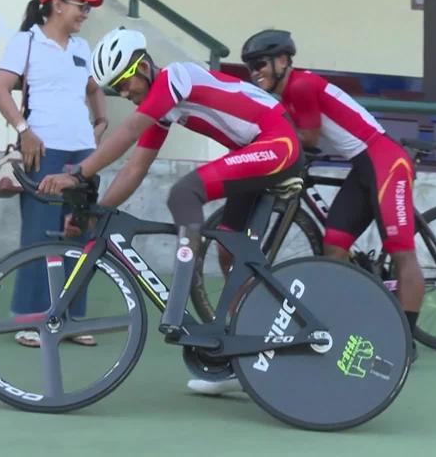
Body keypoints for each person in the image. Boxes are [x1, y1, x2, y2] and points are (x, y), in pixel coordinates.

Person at [38, 27, 303, 395]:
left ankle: (177, 303)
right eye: (116, 87)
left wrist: (79, 173)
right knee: (230, 253)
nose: (125, 92)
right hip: (255, 149)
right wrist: (97, 211)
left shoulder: (175, 77)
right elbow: (135, 168)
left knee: (184, 192)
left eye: (126, 80)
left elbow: (130, 130)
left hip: (277, 142)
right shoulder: (167, 109)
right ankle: (244, 357)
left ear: (144, 66)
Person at [240, 29, 424, 353]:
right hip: (362, 167)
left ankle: (406, 343)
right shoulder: (286, 94)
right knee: (334, 248)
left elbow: (307, 139)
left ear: (283, 60)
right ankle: (349, 318)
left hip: (386, 162)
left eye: (260, 64)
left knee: (402, 254)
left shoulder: (301, 85)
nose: (256, 72)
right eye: (250, 67)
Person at [0, 0, 107, 348]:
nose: (85, 12)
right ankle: (30, 318)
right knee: (39, 235)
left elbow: (92, 87)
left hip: (83, 152)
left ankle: (71, 317)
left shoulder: (82, 47)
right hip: (43, 150)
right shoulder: (26, 41)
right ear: (57, 4)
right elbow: (0, 89)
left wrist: (100, 123)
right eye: (80, 5)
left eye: (87, 7)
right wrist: (24, 130)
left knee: (81, 232)